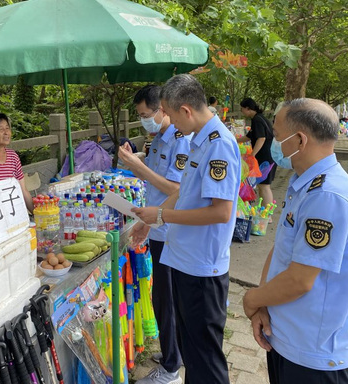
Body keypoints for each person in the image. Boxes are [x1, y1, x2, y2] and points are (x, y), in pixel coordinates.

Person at [242, 99, 348, 384]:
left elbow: (300, 280)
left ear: (300, 140)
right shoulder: (305, 184)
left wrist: (251, 299)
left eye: (277, 135)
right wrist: (263, 303)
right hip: (287, 339)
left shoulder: (328, 196)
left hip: (314, 357)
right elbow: (282, 249)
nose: (275, 143)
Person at [131, 74, 241, 384]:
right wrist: (153, 219)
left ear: (185, 110)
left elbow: (221, 212)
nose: (169, 122)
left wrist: (162, 215)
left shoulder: (218, 145)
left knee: (205, 359)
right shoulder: (200, 139)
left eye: (168, 113)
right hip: (185, 259)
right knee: (192, 353)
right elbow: (185, 191)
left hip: (202, 266)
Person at [117, 85, 191, 384]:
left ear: (162, 108)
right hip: (158, 227)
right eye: (140, 115)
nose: (143, 120)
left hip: (172, 232)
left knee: (167, 301)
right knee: (163, 297)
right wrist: (135, 163)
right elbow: (156, 184)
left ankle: (171, 369)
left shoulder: (180, 140)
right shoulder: (159, 138)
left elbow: (176, 189)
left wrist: (138, 165)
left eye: (146, 114)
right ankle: (174, 352)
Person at [236, 98, 277, 209]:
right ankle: (264, 212)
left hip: (266, 156)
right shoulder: (258, 118)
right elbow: (249, 136)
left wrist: (252, 154)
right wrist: (235, 140)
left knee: (264, 186)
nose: (242, 111)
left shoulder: (257, 120)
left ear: (247, 108)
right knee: (262, 185)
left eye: (242, 109)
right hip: (266, 155)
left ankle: (267, 214)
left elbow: (261, 138)